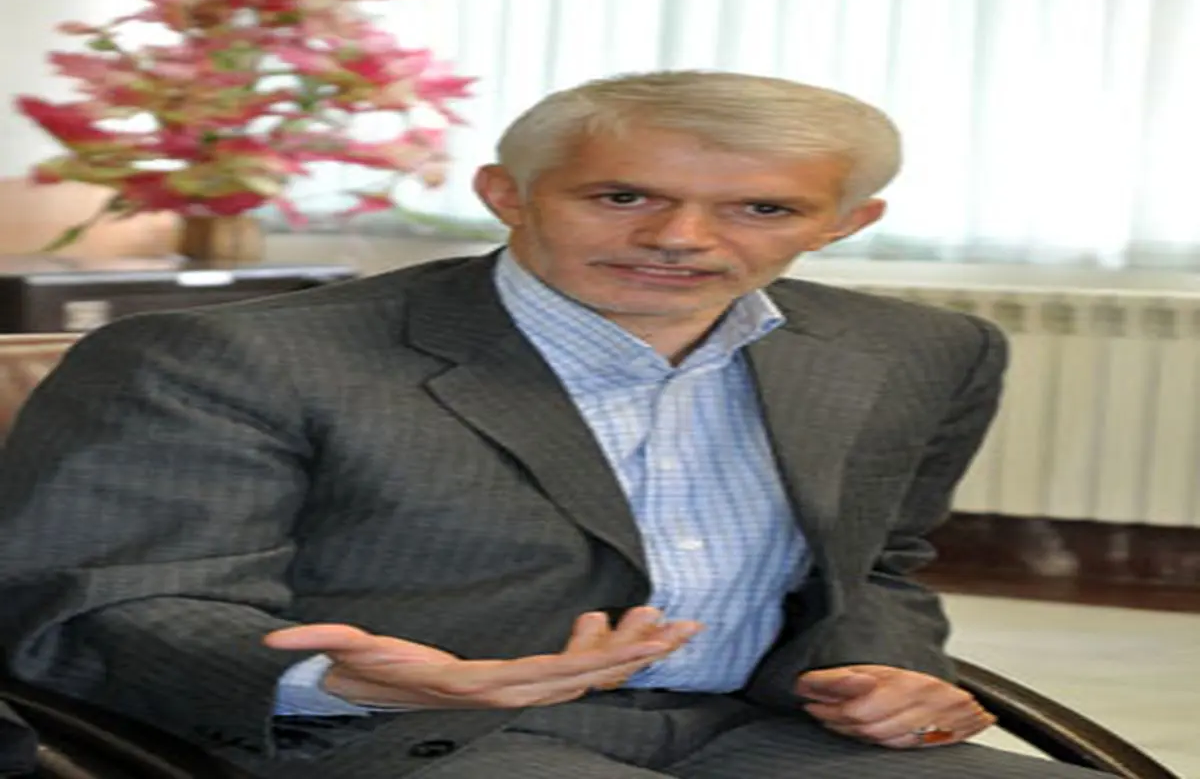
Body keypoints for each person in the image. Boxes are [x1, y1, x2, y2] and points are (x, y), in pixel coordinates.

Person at [0, 71, 1106, 778]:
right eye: (622, 196)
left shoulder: (918, 350)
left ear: (846, 222)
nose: (680, 237)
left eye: (761, 207)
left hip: (772, 730)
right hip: (397, 740)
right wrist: (341, 679)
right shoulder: (234, 356)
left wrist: (882, 668)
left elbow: (880, 566)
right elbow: (100, 608)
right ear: (507, 193)